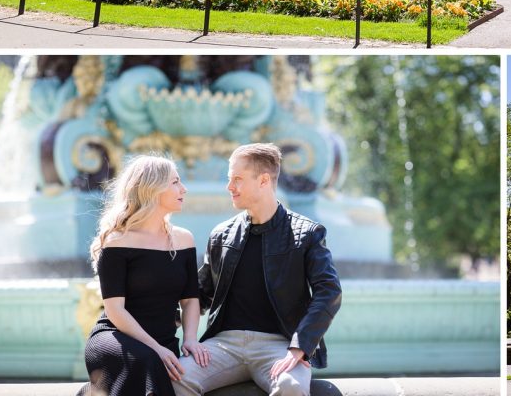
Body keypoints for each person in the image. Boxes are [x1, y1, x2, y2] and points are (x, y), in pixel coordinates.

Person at [172, 143, 342, 396]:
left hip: (279, 346)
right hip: (223, 345)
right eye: (230, 179)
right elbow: (198, 293)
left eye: (237, 180)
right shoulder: (221, 234)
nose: (229, 187)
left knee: (291, 388)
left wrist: (300, 346)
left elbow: (329, 291)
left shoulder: (307, 233)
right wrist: (158, 329)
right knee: (175, 379)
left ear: (263, 180)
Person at [82, 154, 207, 396]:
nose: (184, 189)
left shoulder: (183, 239)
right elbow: (115, 310)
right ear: (152, 188)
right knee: (149, 362)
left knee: (153, 362)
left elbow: (191, 299)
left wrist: (190, 339)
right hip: (116, 338)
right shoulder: (116, 241)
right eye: (175, 182)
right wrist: (156, 349)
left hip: (162, 341)